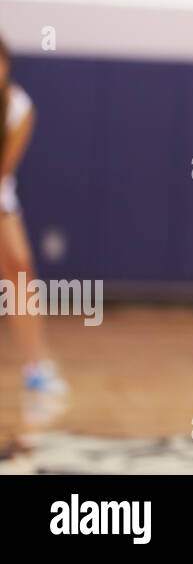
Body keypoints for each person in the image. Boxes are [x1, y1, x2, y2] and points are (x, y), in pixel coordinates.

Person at [0, 36, 69, 426]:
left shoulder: (19, 107)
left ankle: (35, 366)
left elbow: (3, 170)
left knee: (20, 267)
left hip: (0, 196)